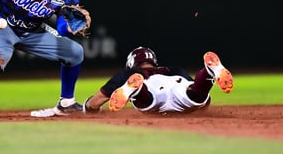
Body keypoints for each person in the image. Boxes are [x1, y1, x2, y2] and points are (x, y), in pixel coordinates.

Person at [83, 47, 234, 114]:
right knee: (194, 93)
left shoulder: (129, 73)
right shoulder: (174, 70)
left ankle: (136, 89)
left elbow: (95, 103)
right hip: (176, 83)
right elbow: (204, 102)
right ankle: (208, 72)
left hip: (151, 88)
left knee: (147, 100)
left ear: (131, 62)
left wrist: (88, 107)